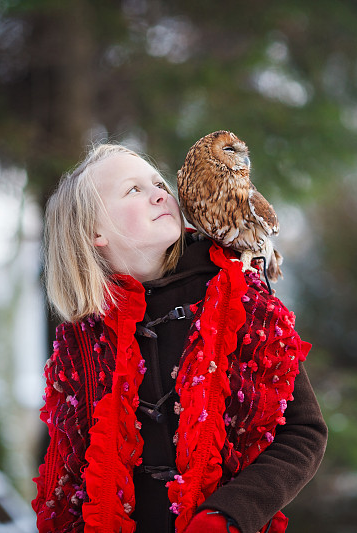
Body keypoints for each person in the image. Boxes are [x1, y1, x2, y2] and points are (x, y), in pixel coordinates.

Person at [32, 143, 327, 533]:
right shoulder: (82, 341)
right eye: (133, 190)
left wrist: (230, 515)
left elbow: (303, 432)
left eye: (157, 182)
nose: (160, 193)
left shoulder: (242, 298)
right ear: (94, 232)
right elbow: (70, 469)